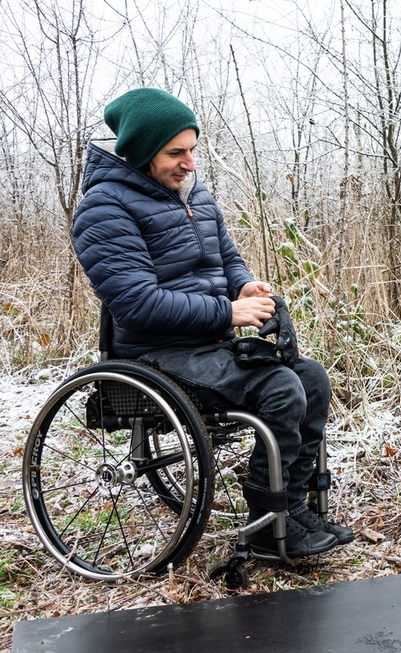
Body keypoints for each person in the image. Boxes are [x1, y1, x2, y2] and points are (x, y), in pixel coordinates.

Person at [71, 87, 354, 558]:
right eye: (175, 153)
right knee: (281, 387)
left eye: (192, 150)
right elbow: (136, 304)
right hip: (156, 355)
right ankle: (267, 525)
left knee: (312, 378)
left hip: (209, 345)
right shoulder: (104, 208)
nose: (189, 163)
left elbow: (227, 259)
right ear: (141, 152)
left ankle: (291, 507)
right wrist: (228, 312)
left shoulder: (193, 195)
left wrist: (244, 287)